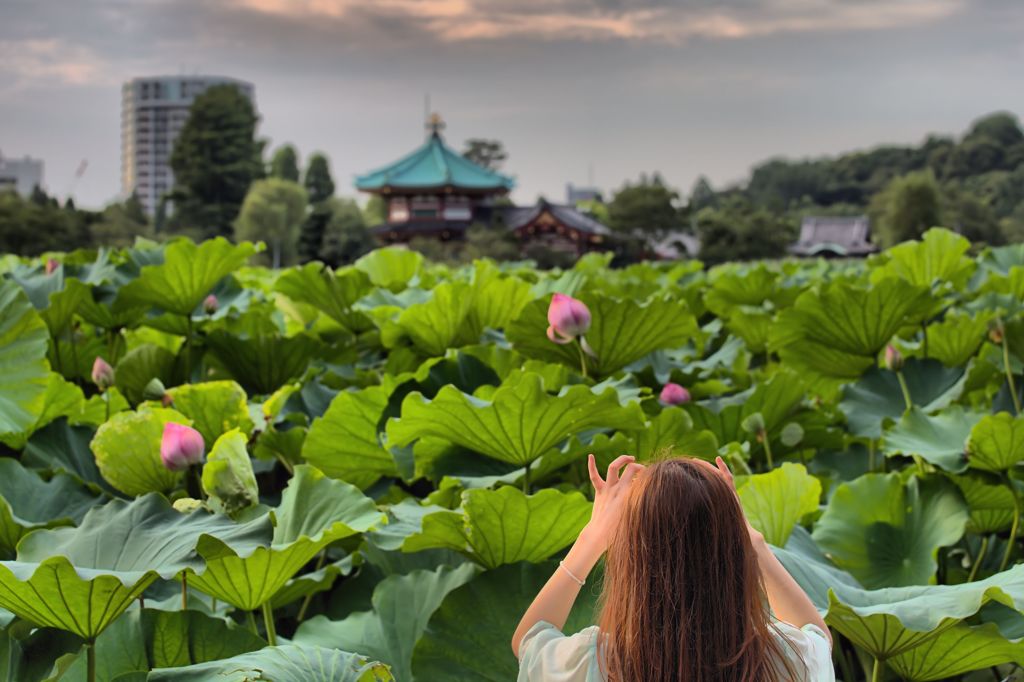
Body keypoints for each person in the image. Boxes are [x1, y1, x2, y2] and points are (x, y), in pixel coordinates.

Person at [511, 454, 835, 681]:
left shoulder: (591, 665)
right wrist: (751, 538)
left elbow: (528, 640)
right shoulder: (784, 662)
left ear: (631, 563)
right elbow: (818, 636)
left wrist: (592, 537)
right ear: (734, 556)